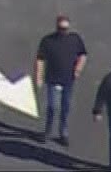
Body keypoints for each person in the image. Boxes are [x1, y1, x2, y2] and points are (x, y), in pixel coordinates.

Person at [37, 15, 89, 145]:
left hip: (68, 80)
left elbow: (83, 54)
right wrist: (39, 76)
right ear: (57, 27)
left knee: (66, 107)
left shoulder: (74, 39)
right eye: (61, 28)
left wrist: (78, 69)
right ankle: (48, 131)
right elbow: (40, 59)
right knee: (53, 107)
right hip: (53, 79)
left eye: (65, 28)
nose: (63, 31)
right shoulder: (48, 41)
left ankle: (63, 132)